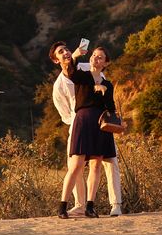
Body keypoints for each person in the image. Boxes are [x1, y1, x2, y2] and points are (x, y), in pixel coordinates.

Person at [49, 41, 123, 217]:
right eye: (61, 52)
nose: (66, 52)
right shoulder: (61, 84)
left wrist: (104, 95)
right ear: (56, 60)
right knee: (75, 165)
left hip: (100, 122)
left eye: (67, 49)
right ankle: (75, 205)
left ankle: (110, 205)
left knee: (106, 162)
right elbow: (65, 113)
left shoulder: (91, 70)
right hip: (79, 122)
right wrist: (78, 118)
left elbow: (109, 102)